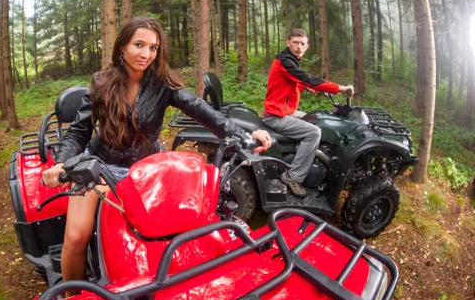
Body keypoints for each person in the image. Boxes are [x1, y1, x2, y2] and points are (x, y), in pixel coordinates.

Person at [42, 16, 272, 284]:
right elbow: (79, 132)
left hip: (146, 168)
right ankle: (71, 299)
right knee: (76, 236)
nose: (146, 54)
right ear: (122, 47)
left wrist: (243, 132)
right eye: (139, 45)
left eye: (153, 47)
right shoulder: (101, 83)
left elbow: (203, 111)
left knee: (173, 226)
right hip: (99, 165)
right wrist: (61, 162)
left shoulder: (163, 84)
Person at [263, 28, 354, 198]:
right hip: (276, 115)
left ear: (307, 46)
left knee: (314, 118)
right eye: (295, 42)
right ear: (287, 43)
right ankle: (293, 176)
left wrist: (310, 89)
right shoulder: (286, 61)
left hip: (284, 110)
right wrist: (339, 89)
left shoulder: (289, 59)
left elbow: (296, 80)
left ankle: (304, 156)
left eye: (302, 43)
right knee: (314, 132)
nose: (298, 46)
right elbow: (306, 78)